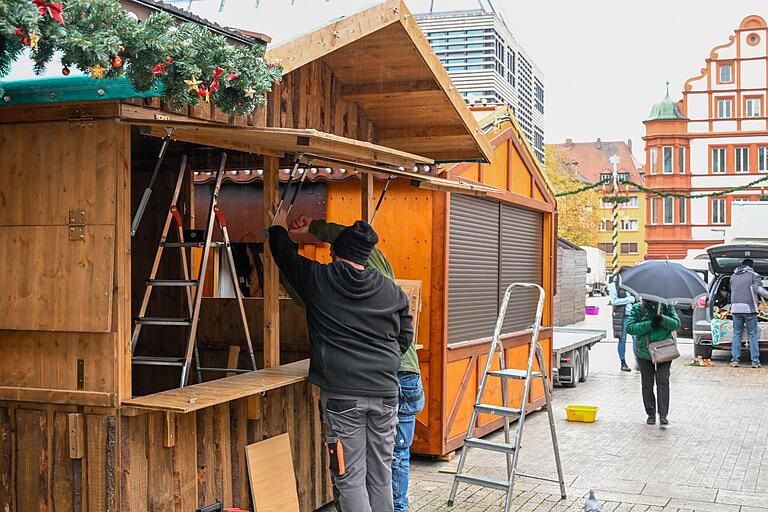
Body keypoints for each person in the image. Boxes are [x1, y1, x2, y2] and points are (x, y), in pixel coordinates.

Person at [269, 210, 413, 512]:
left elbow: (284, 256)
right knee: (380, 475)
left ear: (336, 252)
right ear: (366, 256)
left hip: (342, 399)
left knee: (350, 477)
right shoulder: (391, 291)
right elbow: (405, 336)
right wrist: (381, 363)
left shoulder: (320, 280)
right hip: (386, 396)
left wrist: (278, 228)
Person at [626, 299, 680, 426]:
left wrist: (662, 319)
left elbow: (676, 324)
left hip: (664, 350)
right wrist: (650, 324)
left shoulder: (667, 306)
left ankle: (663, 414)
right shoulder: (638, 308)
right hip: (644, 351)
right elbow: (630, 327)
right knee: (647, 383)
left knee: (662, 381)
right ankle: (650, 413)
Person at [729, 258, 768, 368]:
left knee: (737, 333)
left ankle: (735, 360)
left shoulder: (733, 276)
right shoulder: (754, 275)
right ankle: (755, 362)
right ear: (751, 266)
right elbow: (759, 290)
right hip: (749, 309)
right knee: (752, 334)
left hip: (735, 308)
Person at [608, 274, 636, 372]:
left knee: (637, 339)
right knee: (622, 339)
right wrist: (630, 299)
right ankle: (623, 363)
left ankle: (639, 362)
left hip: (633, 316)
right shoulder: (614, 285)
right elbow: (614, 301)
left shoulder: (632, 285)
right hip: (622, 316)